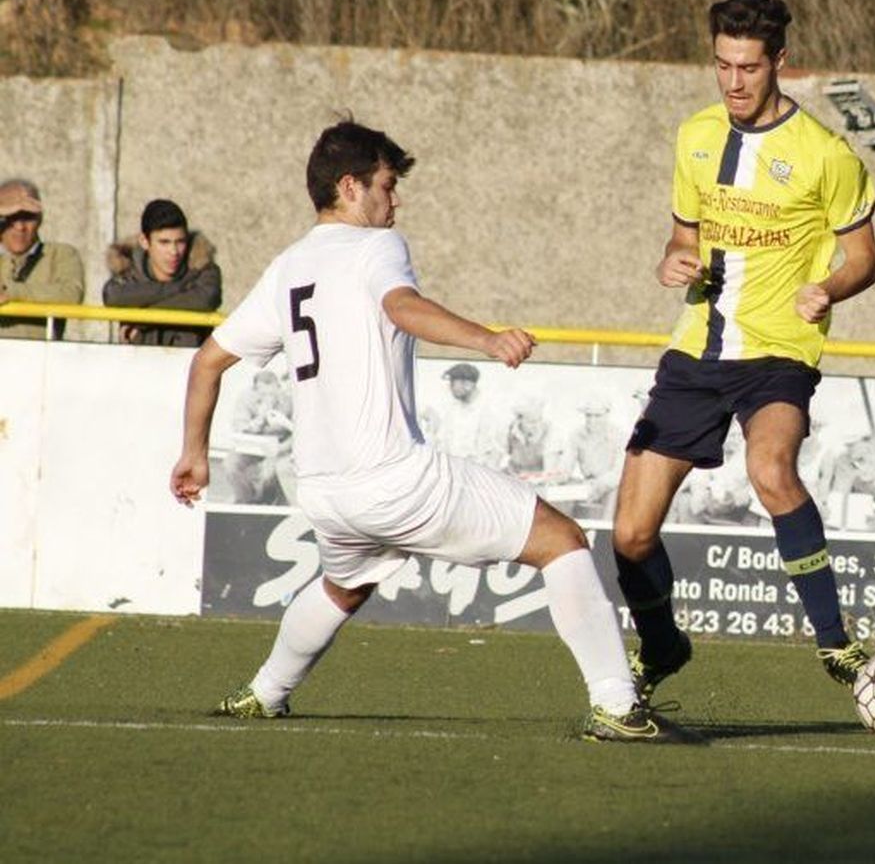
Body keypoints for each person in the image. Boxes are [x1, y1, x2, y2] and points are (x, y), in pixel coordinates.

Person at [168, 120, 696, 744]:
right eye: (387, 186)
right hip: (393, 479)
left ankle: (264, 693)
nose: (396, 201)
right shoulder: (376, 247)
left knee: (344, 585)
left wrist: (193, 455)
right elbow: (402, 308)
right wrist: (488, 337)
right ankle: (615, 702)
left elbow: (207, 360)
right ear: (350, 187)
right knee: (563, 540)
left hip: (325, 493)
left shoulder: (289, 265)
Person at [613, 0, 875, 701]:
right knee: (631, 534)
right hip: (696, 350)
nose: (734, 81)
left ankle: (835, 641)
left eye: (749, 67)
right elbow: (683, 237)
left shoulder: (826, 155)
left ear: (780, 63)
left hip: (778, 352)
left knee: (770, 468)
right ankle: (664, 643)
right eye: (723, 65)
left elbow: (864, 258)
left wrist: (830, 287)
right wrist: (673, 259)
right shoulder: (695, 137)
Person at [103, 198, 223, 347]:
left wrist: (140, 320)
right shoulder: (127, 268)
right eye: (164, 242)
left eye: (180, 242)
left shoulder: (202, 266)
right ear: (144, 242)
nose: (174, 252)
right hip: (139, 364)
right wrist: (180, 288)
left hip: (191, 364)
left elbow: (206, 299)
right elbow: (112, 297)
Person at [0, 178, 85, 340]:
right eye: (11, 217)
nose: (20, 227)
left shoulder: (61, 254)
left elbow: (71, 294)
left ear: (40, 219)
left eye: (27, 217)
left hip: (42, 360)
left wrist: (10, 292)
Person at [222, 367, 296, 505]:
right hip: (251, 446)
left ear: (278, 387)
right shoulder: (245, 399)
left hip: (279, 446)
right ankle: (247, 499)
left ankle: (268, 500)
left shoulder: (289, 401)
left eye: (272, 393)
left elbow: (296, 433)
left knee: (269, 474)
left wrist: (281, 449)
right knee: (230, 466)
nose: (267, 396)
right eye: (262, 393)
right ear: (255, 389)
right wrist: (260, 418)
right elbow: (239, 429)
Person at [555, 397, 628, 520]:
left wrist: (599, 485)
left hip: (612, 485)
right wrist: (554, 479)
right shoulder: (576, 435)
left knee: (613, 494)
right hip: (587, 484)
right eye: (588, 415)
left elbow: (619, 471)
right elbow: (566, 466)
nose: (592, 420)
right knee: (559, 495)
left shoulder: (619, 436)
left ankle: (605, 531)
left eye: (597, 416)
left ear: (606, 415)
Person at [428, 362, 508, 469]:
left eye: (452, 383)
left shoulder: (490, 411)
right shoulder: (452, 410)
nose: (450, 388)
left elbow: (496, 453)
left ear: (468, 384)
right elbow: (442, 444)